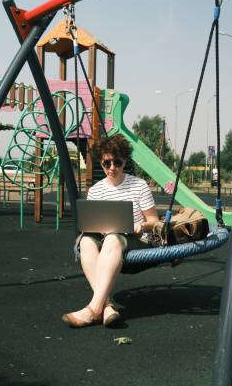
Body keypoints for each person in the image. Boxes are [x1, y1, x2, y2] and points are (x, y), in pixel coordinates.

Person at [62, 134, 159, 328]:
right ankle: (107, 307)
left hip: (135, 240)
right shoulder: (96, 190)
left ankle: (92, 309)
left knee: (114, 237)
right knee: (86, 241)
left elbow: (154, 221)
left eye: (117, 162)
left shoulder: (139, 185)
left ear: (124, 162)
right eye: (107, 163)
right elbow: (91, 222)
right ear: (101, 162)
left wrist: (142, 226)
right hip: (103, 238)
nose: (112, 167)